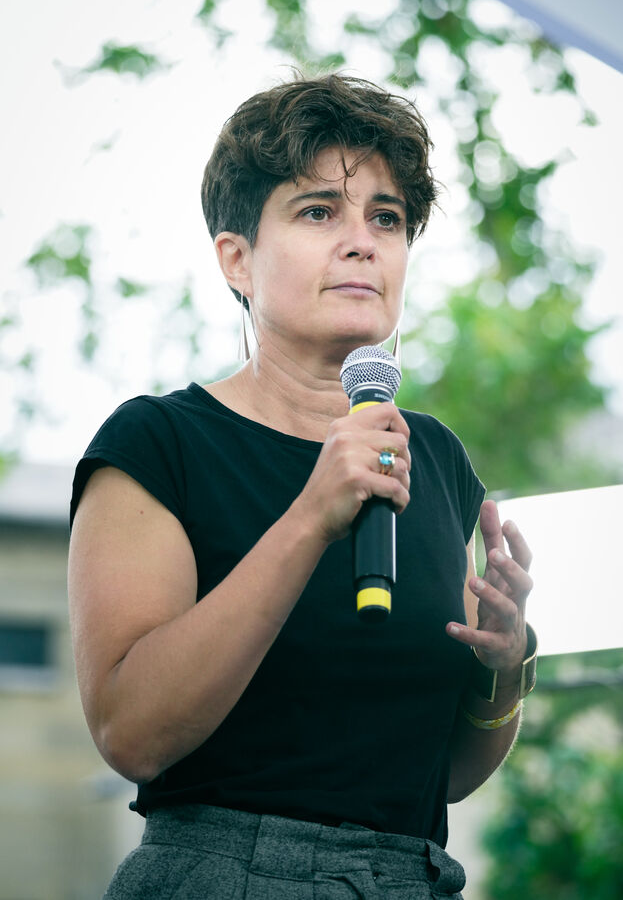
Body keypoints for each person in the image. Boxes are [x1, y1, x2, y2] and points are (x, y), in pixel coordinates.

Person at [68, 73, 536, 899]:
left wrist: (502, 666)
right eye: (318, 212)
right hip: (222, 874)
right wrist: (309, 519)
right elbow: (131, 734)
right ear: (237, 258)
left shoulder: (433, 458)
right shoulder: (158, 445)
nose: (362, 243)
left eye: (385, 218)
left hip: (411, 878)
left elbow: (445, 778)